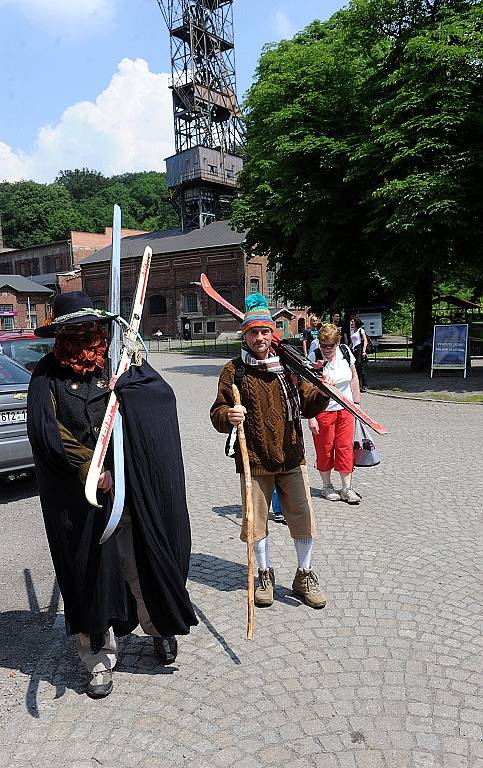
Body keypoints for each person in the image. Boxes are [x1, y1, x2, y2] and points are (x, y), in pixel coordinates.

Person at [27, 291, 197, 699]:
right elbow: (47, 432)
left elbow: (160, 399)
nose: (84, 337)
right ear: (61, 334)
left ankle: (158, 629)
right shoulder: (46, 376)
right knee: (88, 574)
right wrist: (89, 468)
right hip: (75, 496)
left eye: (90, 329)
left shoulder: (119, 365)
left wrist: (130, 390)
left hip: (126, 486)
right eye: (74, 330)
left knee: (139, 560)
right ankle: (98, 658)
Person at [210, 293, 329, 610]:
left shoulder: (290, 367)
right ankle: (264, 574)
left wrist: (323, 391)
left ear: (272, 333)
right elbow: (217, 412)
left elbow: (309, 405)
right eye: (253, 332)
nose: (259, 337)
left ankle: (304, 574)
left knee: (302, 519)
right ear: (245, 336)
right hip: (254, 460)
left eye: (264, 331)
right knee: (256, 522)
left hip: (291, 456)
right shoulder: (234, 371)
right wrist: (228, 416)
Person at [307, 323, 362, 505]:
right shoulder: (314, 356)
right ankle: (327, 486)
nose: (327, 349)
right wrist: (311, 417)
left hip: (345, 409)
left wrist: (356, 404)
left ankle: (346, 488)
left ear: (338, 342)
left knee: (345, 447)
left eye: (330, 345)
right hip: (322, 411)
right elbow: (307, 389)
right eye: (323, 345)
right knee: (325, 449)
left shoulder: (345, 352)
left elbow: (354, 377)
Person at [350, 316, 368, 391]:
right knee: (355, 367)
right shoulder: (352, 331)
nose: (351, 323)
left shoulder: (361, 330)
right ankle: (358, 385)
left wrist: (364, 351)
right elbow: (352, 342)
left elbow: (365, 340)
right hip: (354, 350)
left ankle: (364, 385)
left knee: (360, 367)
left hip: (359, 349)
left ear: (356, 322)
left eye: (353, 321)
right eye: (351, 322)